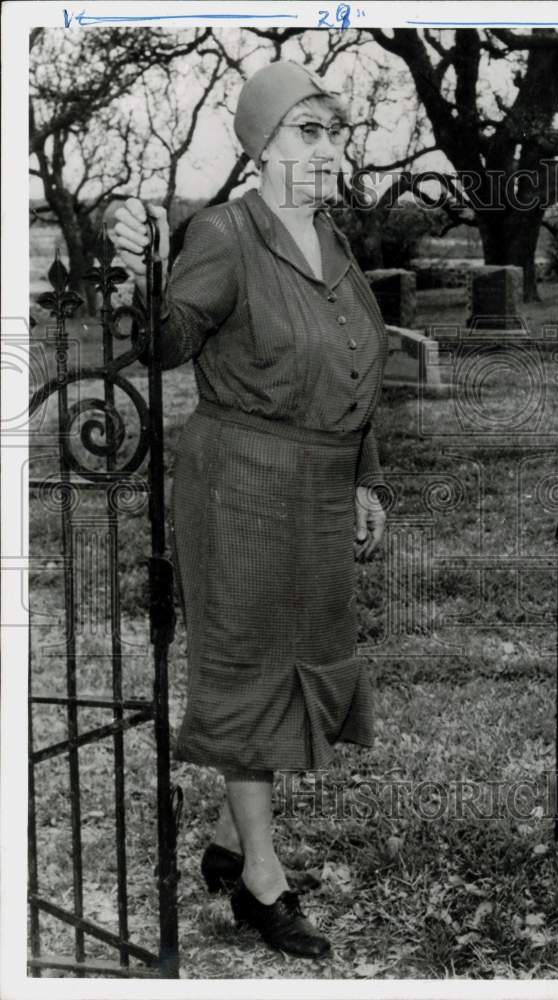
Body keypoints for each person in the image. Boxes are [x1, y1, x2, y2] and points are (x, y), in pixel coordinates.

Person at [111, 60, 388, 960]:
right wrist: (140, 281)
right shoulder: (227, 235)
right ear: (260, 146)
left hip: (316, 486)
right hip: (240, 485)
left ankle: (230, 844)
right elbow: (169, 337)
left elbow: (357, 364)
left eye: (335, 132)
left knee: (304, 659)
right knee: (249, 668)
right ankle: (262, 882)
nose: (327, 149)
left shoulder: (334, 243)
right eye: (307, 132)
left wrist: (362, 478)